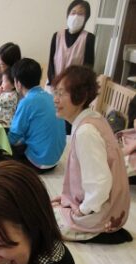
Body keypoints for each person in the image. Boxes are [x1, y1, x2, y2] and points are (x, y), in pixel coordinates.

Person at [52, 66, 132, 243]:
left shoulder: (86, 131)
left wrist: (83, 210)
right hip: (108, 205)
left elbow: (100, 183)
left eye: (61, 94)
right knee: (45, 207)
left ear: (80, 97)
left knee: (39, 222)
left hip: (103, 210)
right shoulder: (93, 117)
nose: (55, 99)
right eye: (55, 93)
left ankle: (97, 229)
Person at [8, 58, 66, 172]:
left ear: (18, 83)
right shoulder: (50, 97)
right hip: (54, 161)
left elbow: (13, 138)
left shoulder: (26, 102)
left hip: (37, 163)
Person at [47, 1, 95, 89]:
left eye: (81, 14)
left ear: (86, 18)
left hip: (74, 88)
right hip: (55, 84)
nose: (76, 16)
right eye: (73, 12)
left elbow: (88, 68)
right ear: (68, 15)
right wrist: (54, 83)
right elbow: (51, 63)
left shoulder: (88, 38)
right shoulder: (57, 36)